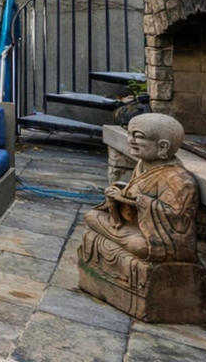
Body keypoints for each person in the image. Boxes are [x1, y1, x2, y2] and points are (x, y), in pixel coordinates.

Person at [83, 112, 197, 264]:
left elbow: (177, 220)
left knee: (139, 247)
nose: (131, 141)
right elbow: (134, 193)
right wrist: (119, 193)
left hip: (158, 238)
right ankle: (121, 236)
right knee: (91, 215)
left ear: (163, 146)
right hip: (133, 225)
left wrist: (132, 199)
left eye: (139, 136)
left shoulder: (178, 179)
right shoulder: (142, 165)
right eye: (130, 134)